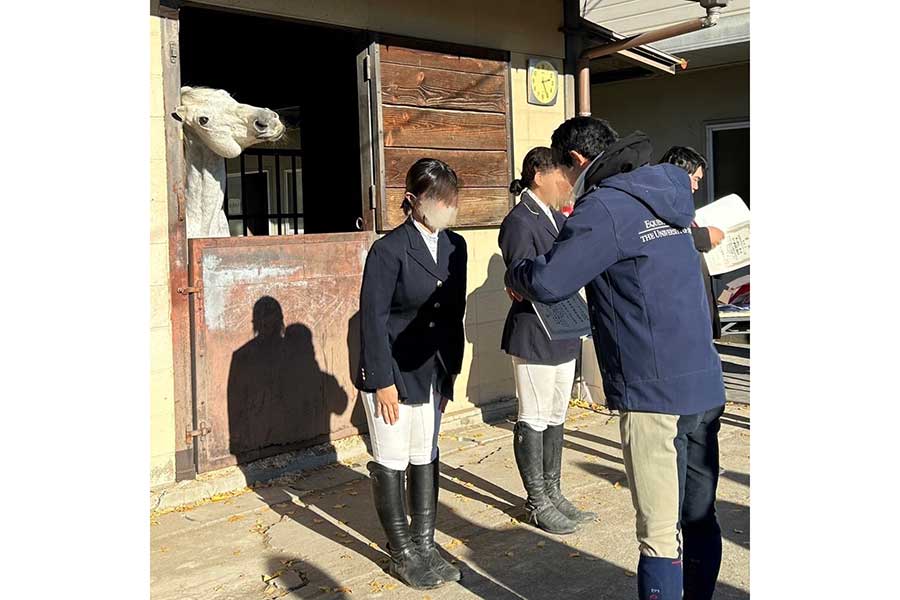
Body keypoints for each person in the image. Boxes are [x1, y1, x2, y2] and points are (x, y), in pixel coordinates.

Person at [505, 117, 726, 600]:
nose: (562, 186)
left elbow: (550, 280)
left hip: (654, 391)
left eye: (562, 173)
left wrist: (518, 275)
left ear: (577, 163)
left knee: (660, 536)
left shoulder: (603, 208)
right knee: (699, 514)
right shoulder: (667, 191)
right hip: (704, 383)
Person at [356, 158, 467, 590]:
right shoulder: (388, 250)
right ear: (413, 201)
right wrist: (382, 381)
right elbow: (373, 321)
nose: (447, 209)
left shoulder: (456, 245)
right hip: (394, 372)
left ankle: (425, 544)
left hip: (432, 371)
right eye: (439, 200)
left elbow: (453, 314)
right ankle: (401, 552)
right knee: (393, 457)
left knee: (425, 453)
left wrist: (450, 375)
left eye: (451, 201)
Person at [498, 147, 596, 535]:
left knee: (556, 415)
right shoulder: (520, 220)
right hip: (535, 332)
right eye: (560, 178)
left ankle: (553, 492)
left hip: (564, 329)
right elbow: (521, 274)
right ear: (539, 174)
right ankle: (536, 500)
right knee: (534, 416)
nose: (565, 186)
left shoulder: (556, 218)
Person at [659, 146, 724, 339]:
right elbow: (662, 237)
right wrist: (704, 237)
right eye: (695, 179)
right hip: (680, 315)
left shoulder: (685, 210)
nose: (696, 188)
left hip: (697, 310)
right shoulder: (658, 205)